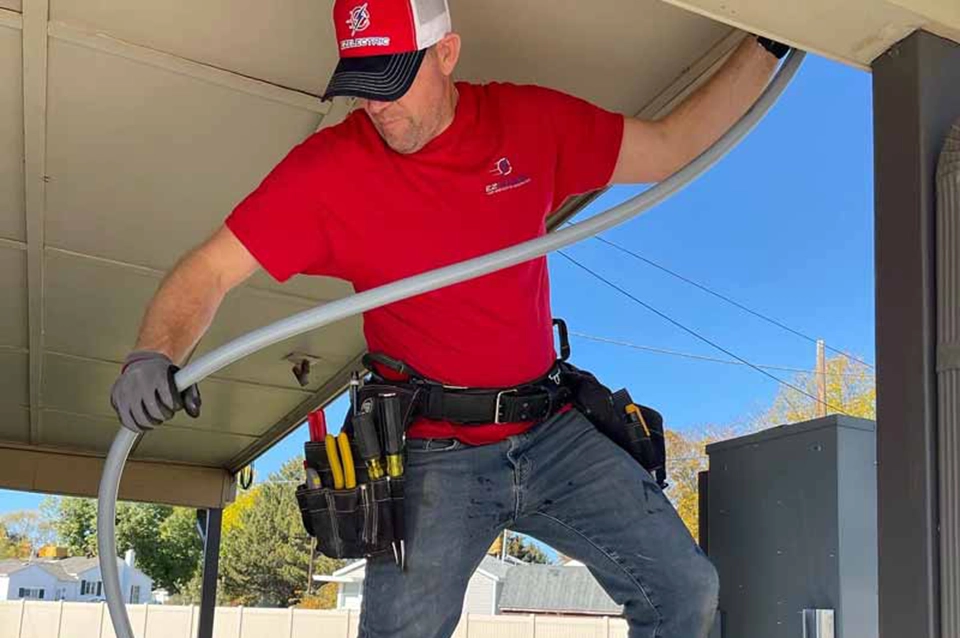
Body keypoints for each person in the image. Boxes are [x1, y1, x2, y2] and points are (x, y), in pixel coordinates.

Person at [110, 1, 788, 636]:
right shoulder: (329, 172)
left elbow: (671, 144)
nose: (376, 105)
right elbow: (208, 271)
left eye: (391, 80)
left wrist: (772, 37)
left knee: (685, 588)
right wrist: (153, 353)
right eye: (361, 85)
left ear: (446, 53)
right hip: (432, 453)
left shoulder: (528, 124)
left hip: (550, 430)